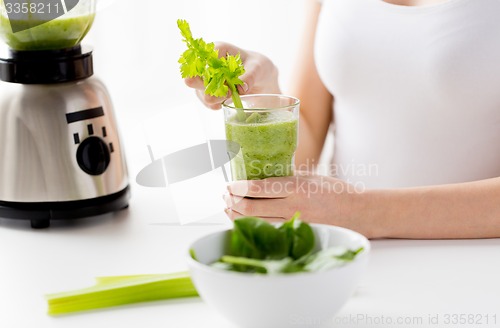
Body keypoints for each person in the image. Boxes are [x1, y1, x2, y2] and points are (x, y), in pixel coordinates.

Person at [184, 0, 500, 239]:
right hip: (346, 252)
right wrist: (266, 94)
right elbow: (304, 148)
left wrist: (359, 211)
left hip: (470, 260)